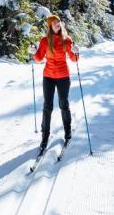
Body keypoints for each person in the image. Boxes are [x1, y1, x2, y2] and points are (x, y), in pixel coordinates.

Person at [32, 14, 79, 153]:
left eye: (58, 22)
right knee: (47, 106)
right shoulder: (45, 41)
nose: (58, 24)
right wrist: (34, 52)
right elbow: (39, 58)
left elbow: (74, 59)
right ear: (50, 26)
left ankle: (68, 132)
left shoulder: (67, 40)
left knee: (63, 104)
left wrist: (76, 52)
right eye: (54, 23)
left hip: (63, 76)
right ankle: (44, 137)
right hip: (48, 77)